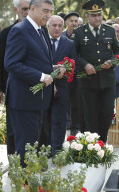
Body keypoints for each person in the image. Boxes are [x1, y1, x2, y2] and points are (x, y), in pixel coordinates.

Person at [4, 0, 64, 166]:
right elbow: (11, 64)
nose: (48, 15)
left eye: (50, 11)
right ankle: (23, 182)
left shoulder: (41, 30)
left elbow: (36, 60)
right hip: (23, 99)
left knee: (33, 144)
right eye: (45, 11)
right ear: (32, 8)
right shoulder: (20, 30)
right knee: (26, 145)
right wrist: (40, 76)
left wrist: (51, 70)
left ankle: (27, 179)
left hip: (37, 99)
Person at [73, 0, 119, 142]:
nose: (97, 18)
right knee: (90, 115)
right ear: (87, 16)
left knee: (107, 113)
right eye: (93, 15)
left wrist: (112, 62)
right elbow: (74, 55)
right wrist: (85, 65)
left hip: (107, 81)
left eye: (99, 15)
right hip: (88, 82)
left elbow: (118, 52)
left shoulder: (110, 30)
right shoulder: (80, 32)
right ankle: (91, 145)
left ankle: (102, 141)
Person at [0, 0, 31, 155]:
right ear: (15, 10)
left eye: (31, 8)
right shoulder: (6, 33)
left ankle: (33, 162)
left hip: (36, 87)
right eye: (24, 9)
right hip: (13, 88)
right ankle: (14, 163)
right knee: (13, 128)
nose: (28, 12)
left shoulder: (41, 31)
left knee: (36, 127)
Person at [46, 15, 78, 155]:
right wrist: (51, 70)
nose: (57, 28)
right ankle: (46, 148)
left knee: (60, 120)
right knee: (45, 120)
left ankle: (57, 150)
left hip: (62, 88)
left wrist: (65, 71)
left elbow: (75, 66)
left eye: (60, 26)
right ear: (48, 26)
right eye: (54, 25)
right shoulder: (42, 41)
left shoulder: (69, 43)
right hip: (44, 86)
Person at [62, 12, 84, 135]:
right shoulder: (61, 35)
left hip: (78, 74)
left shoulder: (81, 37)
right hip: (63, 74)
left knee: (76, 101)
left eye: (76, 21)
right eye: (72, 21)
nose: (74, 23)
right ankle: (65, 122)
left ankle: (75, 126)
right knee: (64, 100)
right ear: (66, 22)